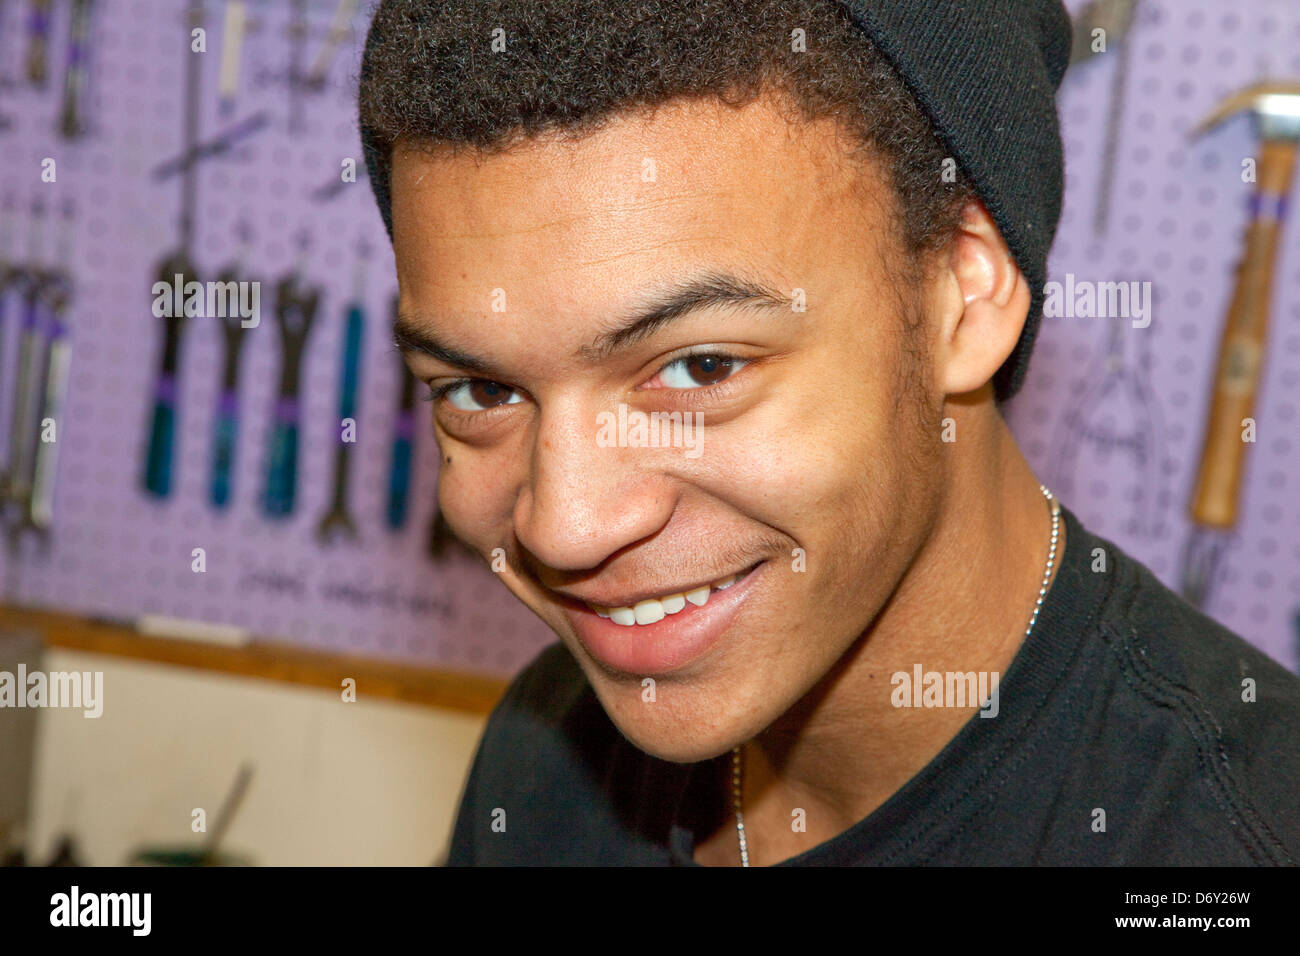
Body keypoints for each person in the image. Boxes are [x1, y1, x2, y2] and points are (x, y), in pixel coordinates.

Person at [357, 0, 1300, 865]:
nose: (563, 526)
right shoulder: (544, 769)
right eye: (480, 390)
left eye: (701, 369)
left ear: (962, 299)